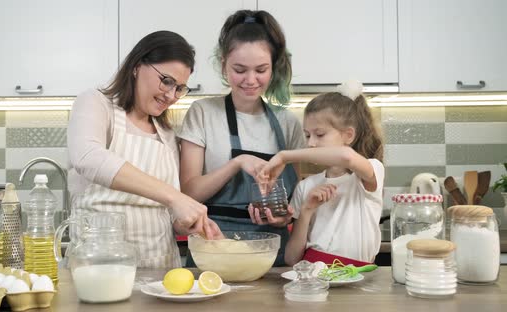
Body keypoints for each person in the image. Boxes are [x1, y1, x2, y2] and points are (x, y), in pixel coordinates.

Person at [67, 31, 220, 269]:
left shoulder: (166, 133)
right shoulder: (96, 103)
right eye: (166, 81)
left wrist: (187, 223)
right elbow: (87, 157)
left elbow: (168, 214)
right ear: (137, 66)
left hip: (160, 273)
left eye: (180, 88)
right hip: (99, 269)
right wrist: (174, 197)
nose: (171, 96)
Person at [178, 10, 306, 266]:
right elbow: (188, 192)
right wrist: (238, 162)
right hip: (212, 246)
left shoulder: (288, 122)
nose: (250, 80)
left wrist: (284, 217)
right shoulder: (203, 113)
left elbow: (298, 196)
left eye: (261, 70)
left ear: (274, 67)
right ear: (224, 63)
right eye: (239, 69)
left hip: (271, 252)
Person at [259, 80, 385, 266]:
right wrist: (307, 210)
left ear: (348, 135)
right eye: (308, 135)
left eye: (320, 134)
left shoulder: (370, 172)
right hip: (312, 276)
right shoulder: (306, 187)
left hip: (357, 277)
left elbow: (347, 157)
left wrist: (285, 156)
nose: (310, 144)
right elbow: (291, 258)